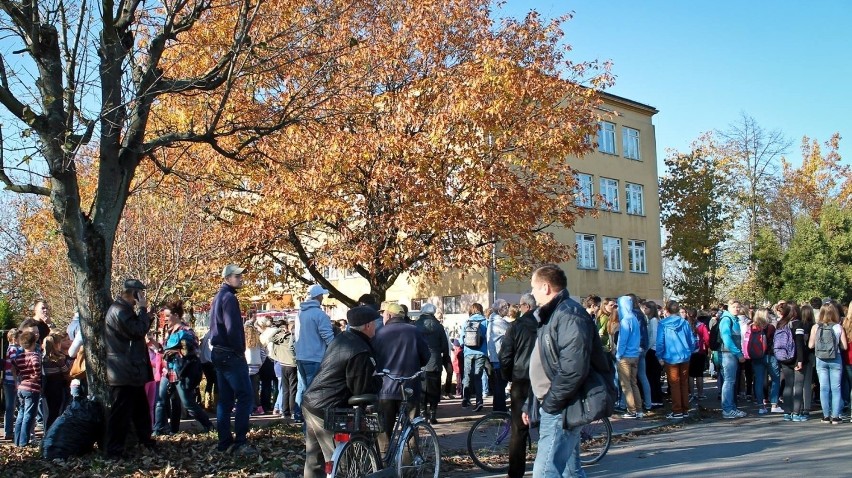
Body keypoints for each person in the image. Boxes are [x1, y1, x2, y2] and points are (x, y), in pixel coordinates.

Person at [523, 264, 608, 478]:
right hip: (556, 403)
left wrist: (551, 404)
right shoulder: (551, 315)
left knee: (544, 473)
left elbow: (573, 369)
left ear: (546, 287)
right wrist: (530, 403)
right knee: (571, 471)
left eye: (534, 288)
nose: (532, 293)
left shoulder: (569, 315)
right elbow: (544, 363)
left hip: (561, 406)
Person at [302, 306, 382, 478]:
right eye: (375, 323)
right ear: (367, 325)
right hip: (328, 408)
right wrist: (376, 381)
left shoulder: (342, 338)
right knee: (340, 462)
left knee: (314, 459)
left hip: (311, 401)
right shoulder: (360, 350)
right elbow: (359, 388)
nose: (377, 326)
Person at [104, 279, 156, 458]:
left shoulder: (124, 310)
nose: (142, 297)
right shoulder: (119, 311)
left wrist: (146, 317)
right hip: (123, 371)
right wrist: (142, 310)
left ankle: (146, 442)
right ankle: (114, 451)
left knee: (141, 411)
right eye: (140, 293)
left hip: (130, 371)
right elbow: (137, 331)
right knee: (120, 415)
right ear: (134, 293)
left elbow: (138, 330)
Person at [209, 264, 257, 455]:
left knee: (226, 400)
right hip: (230, 353)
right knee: (245, 396)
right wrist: (239, 350)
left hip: (220, 352)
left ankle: (224, 442)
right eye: (236, 276)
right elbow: (232, 329)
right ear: (227, 278)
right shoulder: (228, 298)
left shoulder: (219, 297)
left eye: (240, 276)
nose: (240, 279)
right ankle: (240, 441)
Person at [373, 302, 429, 450]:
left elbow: (373, 358)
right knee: (411, 427)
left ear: (389, 315)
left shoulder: (379, 333)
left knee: (384, 430)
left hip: (386, 387)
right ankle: (408, 464)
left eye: (384, 314)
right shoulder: (414, 331)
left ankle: (384, 463)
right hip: (409, 386)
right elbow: (426, 356)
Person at [154, 300, 212, 434]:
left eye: (167, 316)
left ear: (176, 315)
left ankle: (208, 426)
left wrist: (177, 352)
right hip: (167, 371)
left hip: (180, 371)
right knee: (161, 401)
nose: (165, 319)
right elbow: (164, 349)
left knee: (187, 403)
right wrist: (154, 344)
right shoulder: (168, 331)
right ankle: (159, 429)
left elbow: (194, 351)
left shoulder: (187, 331)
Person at [499, 292, 537, 478]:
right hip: (542, 380)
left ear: (525, 307)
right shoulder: (544, 324)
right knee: (549, 425)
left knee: (518, 429)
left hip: (521, 380)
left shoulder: (515, 327)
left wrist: (508, 376)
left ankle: (515, 473)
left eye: (521, 306)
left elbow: (505, 355)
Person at [294, 284, 335, 423]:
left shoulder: (300, 313)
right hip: (315, 357)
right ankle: (311, 419)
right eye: (322, 295)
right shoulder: (319, 314)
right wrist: (335, 349)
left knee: (302, 387)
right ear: (318, 297)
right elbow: (328, 336)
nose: (323, 298)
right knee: (313, 390)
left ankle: (298, 414)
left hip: (301, 356)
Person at [809, 303, 847, 424]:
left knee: (824, 388)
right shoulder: (838, 327)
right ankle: (835, 416)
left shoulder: (816, 327)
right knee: (836, 388)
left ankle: (825, 416)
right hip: (835, 359)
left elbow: (811, 345)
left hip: (820, 359)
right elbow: (845, 346)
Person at [414, 303, 452, 424]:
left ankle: (423, 413)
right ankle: (433, 414)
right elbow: (444, 347)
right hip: (435, 361)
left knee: (421, 389)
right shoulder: (439, 326)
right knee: (434, 389)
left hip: (419, 361)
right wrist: (446, 361)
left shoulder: (416, 326)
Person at [656, 301, 694, 419]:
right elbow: (691, 340)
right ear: (678, 310)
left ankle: (677, 411)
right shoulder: (684, 322)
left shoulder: (662, 324)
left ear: (667, 310)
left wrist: (659, 356)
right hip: (684, 356)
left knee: (674, 384)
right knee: (683, 383)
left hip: (670, 357)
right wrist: (689, 351)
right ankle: (685, 409)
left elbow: (660, 342)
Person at [615, 295, 643, 419]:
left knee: (626, 385)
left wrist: (618, 355)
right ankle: (639, 410)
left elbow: (623, 341)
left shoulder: (625, 320)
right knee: (634, 383)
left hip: (625, 356)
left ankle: (631, 411)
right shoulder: (634, 318)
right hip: (635, 355)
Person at [718, 299, 747, 419]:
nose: (736, 309)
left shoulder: (733, 319)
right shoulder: (726, 319)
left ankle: (731, 407)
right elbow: (727, 339)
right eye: (734, 306)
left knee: (730, 382)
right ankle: (727, 409)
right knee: (729, 382)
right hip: (728, 354)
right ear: (728, 307)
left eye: (738, 307)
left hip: (730, 354)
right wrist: (738, 354)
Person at [12, 330, 41, 447]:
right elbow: (36, 366)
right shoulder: (34, 355)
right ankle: (24, 441)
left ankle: (17, 440)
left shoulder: (19, 357)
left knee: (21, 413)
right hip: (31, 388)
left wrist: (17, 380)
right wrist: (36, 376)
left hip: (21, 387)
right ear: (34, 342)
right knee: (29, 414)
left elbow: (13, 368)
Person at [459, 303, 488, 411]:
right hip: (481, 352)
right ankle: (479, 401)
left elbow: (462, 340)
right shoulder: (485, 322)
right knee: (478, 377)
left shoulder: (466, 322)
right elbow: (488, 337)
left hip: (468, 352)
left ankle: (465, 400)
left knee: (467, 376)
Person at [42, 331, 71, 431]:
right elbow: (66, 370)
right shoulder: (58, 359)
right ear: (56, 345)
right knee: (56, 409)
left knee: (47, 411)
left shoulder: (43, 358)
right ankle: (53, 430)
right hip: (57, 386)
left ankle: (46, 430)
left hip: (47, 386)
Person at [486, 299, 510, 412]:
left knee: (499, 383)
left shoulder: (492, 321)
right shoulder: (499, 322)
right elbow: (511, 333)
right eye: (506, 307)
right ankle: (500, 408)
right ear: (500, 309)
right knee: (500, 384)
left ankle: (498, 407)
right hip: (499, 356)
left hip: (494, 356)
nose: (507, 309)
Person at [3, 328, 19, 441]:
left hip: (11, 381)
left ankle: (9, 430)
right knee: (10, 407)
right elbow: (15, 365)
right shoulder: (13, 349)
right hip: (10, 381)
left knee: (12, 406)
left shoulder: (14, 348)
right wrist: (16, 380)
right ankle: (8, 431)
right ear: (14, 338)